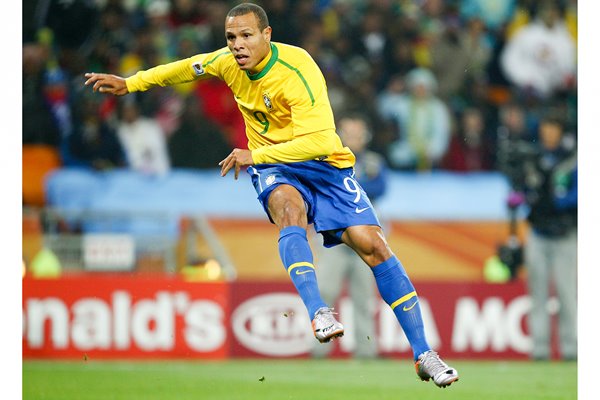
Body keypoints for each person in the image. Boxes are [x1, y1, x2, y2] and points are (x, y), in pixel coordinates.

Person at [84, 3, 458, 388]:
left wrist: (254, 154)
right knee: (288, 207)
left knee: (374, 246)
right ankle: (319, 312)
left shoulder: (297, 69)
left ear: (267, 34)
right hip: (275, 167)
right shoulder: (227, 62)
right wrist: (132, 83)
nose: (237, 45)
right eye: (231, 37)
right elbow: (187, 67)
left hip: (323, 164)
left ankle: (423, 353)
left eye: (246, 35)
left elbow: (319, 141)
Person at [311, 113, 386, 360]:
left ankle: (367, 351)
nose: (353, 139)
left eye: (357, 134)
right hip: (333, 235)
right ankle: (318, 349)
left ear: (365, 136)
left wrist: (347, 183)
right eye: (349, 134)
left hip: (364, 236)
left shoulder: (373, 160)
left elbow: (381, 187)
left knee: (364, 295)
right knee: (325, 290)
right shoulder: (326, 158)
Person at [510, 116, 577, 361]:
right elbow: (523, 190)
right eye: (545, 128)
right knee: (537, 293)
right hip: (538, 232)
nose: (548, 133)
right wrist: (520, 196)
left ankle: (571, 349)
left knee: (566, 292)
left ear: (560, 131)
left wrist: (557, 200)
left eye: (553, 127)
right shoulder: (534, 158)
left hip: (565, 234)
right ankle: (539, 349)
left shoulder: (572, 158)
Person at [377, 67, 451, 171]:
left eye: (423, 87)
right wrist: (393, 91)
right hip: (404, 157)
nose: (420, 90)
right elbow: (383, 110)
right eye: (417, 86)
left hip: (430, 159)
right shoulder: (402, 104)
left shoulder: (438, 107)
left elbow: (441, 133)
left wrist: (433, 151)